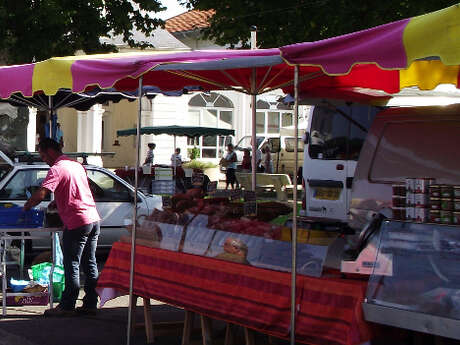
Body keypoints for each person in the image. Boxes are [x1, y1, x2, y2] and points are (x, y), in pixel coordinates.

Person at [23, 138, 101, 317]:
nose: (43, 159)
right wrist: (57, 204)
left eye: (43, 155)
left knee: (71, 263)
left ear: (50, 151)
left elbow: (41, 194)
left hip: (77, 221)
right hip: (93, 218)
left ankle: (67, 305)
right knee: (89, 263)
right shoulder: (75, 164)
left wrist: (27, 206)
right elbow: (76, 191)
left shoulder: (57, 168)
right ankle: (90, 303)